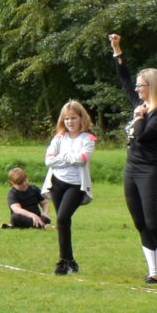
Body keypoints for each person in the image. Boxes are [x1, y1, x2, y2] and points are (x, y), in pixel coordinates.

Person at [109, 32, 157, 286]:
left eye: (142, 85)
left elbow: (142, 137)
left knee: (153, 222)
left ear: (153, 86)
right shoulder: (138, 104)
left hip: (153, 171)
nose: (137, 89)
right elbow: (124, 79)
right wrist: (117, 49)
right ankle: (154, 273)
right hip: (133, 169)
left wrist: (139, 118)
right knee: (140, 223)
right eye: (138, 86)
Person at [42, 100, 95, 274]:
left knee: (63, 218)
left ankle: (66, 260)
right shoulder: (59, 138)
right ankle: (67, 260)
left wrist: (63, 158)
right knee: (63, 222)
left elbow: (83, 159)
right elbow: (49, 160)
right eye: (66, 119)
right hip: (57, 183)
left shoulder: (88, 139)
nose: (70, 122)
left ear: (81, 118)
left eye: (73, 118)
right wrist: (69, 158)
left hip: (76, 186)